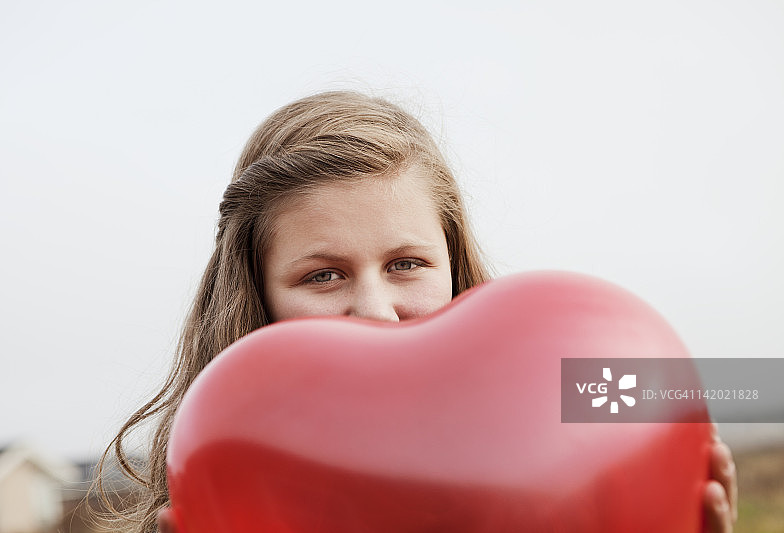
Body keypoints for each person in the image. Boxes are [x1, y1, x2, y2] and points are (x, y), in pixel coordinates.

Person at [95, 90, 738, 532]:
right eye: (323, 276)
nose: (377, 312)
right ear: (253, 293)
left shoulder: (552, 413)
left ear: (454, 263)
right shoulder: (232, 468)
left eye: (407, 264)